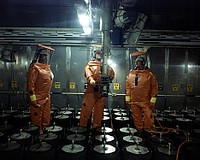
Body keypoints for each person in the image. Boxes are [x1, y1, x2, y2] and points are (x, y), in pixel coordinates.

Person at [79, 50, 115, 130]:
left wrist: (109, 79)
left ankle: (96, 128)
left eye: (101, 54)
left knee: (99, 112)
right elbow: (88, 74)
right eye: (98, 53)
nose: (100, 55)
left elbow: (112, 75)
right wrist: (91, 80)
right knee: (86, 110)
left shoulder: (107, 67)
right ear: (95, 55)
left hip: (101, 92)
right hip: (91, 92)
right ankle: (82, 128)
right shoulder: (90, 65)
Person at [125, 55, 158, 135]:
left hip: (145, 102)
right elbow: (128, 87)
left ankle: (148, 131)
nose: (137, 64)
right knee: (136, 118)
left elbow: (154, 88)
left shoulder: (149, 75)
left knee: (148, 117)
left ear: (143, 63)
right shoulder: (131, 74)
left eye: (138, 62)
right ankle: (140, 131)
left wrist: (153, 100)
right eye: (136, 62)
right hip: (134, 101)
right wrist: (127, 99)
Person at [27, 46, 54, 134]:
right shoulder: (35, 68)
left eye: (46, 56)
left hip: (46, 97)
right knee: (37, 119)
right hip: (38, 98)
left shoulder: (47, 68)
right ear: (39, 57)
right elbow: (31, 84)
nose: (45, 58)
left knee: (46, 116)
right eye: (43, 56)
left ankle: (45, 133)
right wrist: (33, 99)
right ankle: (36, 137)